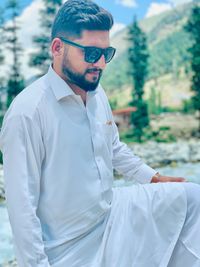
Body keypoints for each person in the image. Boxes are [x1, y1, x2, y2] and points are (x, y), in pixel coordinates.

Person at [0, 0, 200, 266]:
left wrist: (153, 178)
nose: (102, 64)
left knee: (191, 197)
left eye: (107, 53)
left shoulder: (95, 93)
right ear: (57, 48)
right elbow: (22, 209)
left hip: (112, 214)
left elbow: (113, 147)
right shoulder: (27, 113)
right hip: (70, 247)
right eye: (92, 53)